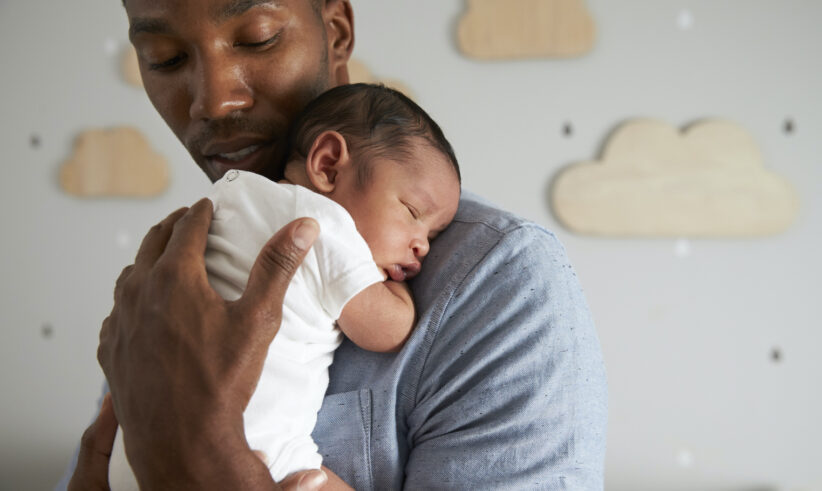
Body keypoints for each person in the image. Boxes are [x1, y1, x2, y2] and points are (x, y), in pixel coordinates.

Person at [62, 0, 608, 489]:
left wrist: (208, 458)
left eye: (256, 38)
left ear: (336, 32)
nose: (214, 101)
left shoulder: (501, 282)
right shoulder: (178, 265)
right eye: (165, 58)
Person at [107, 83, 462, 488]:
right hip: (255, 446)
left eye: (433, 235)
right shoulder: (323, 225)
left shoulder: (233, 196)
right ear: (328, 165)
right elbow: (388, 330)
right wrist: (395, 289)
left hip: (134, 450)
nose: (422, 245)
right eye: (413, 212)